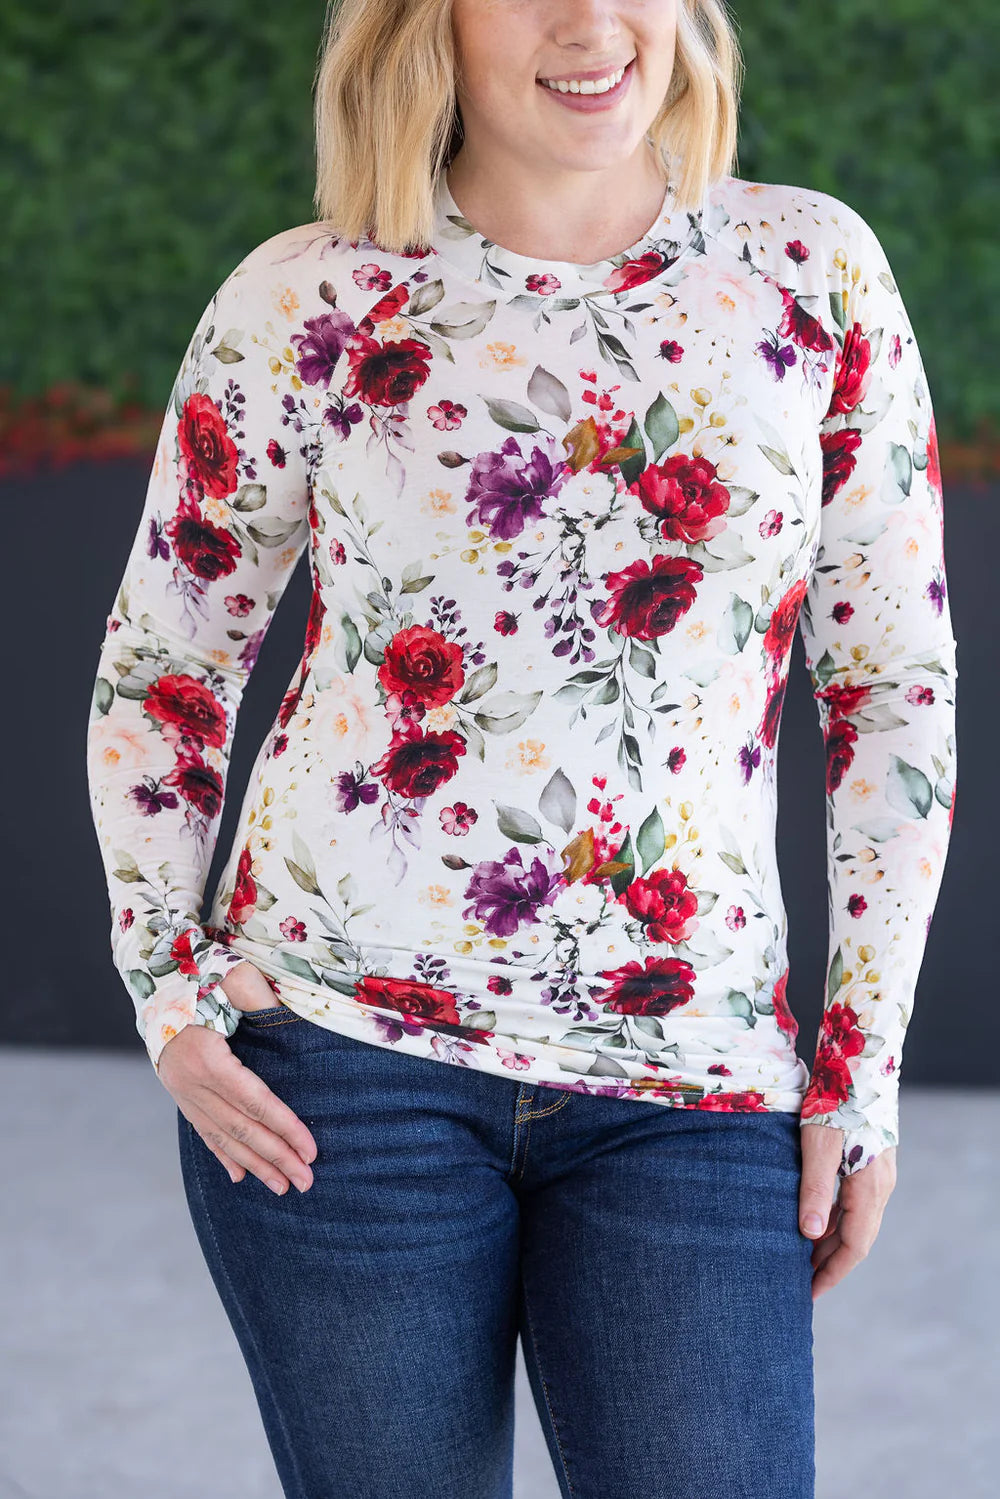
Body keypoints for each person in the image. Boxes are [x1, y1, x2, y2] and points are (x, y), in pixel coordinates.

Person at [85, 1, 958, 1494]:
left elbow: (893, 692)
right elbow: (169, 662)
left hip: (694, 1076)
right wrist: (169, 988)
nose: (588, 23)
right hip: (343, 1071)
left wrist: (858, 1071)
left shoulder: (810, 274)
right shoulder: (309, 298)